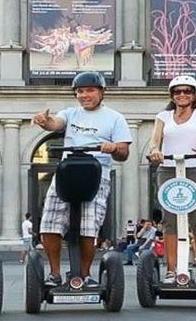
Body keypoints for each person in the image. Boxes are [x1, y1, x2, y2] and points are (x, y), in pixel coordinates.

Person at [31, 71, 132, 287]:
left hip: (97, 174)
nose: (84, 95)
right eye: (80, 91)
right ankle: (55, 273)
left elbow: (123, 153)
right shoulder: (71, 113)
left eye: (89, 90)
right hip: (67, 173)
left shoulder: (115, 118)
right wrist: (44, 121)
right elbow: (55, 123)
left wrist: (113, 147)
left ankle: (85, 274)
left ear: (101, 92)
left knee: (89, 225)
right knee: (49, 222)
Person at [147, 75, 196, 284]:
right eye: (178, 91)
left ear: (194, 95)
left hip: (195, 168)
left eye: (187, 91)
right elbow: (154, 140)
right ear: (172, 95)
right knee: (169, 219)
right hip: (168, 168)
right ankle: (170, 269)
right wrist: (154, 151)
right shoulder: (163, 116)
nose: (182, 95)